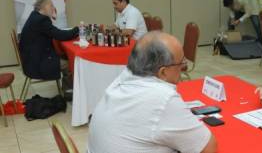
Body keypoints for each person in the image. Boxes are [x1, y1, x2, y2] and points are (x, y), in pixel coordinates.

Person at [87, 31, 217, 153]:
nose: (183, 68)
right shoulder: (162, 98)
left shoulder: (122, 78)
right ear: (163, 72)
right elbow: (207, 148)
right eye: (181, 64)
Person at [19, 0, 79, 80]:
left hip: (30, 61)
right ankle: (70, 89)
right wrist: (77, 29)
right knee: (73, 62)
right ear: (43, 7)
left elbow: (55, 32)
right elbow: (60, 35)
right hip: (37, 64)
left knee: (66, 55)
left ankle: (67, 87)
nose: (53, 8)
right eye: (50, 5)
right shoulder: (41, 20)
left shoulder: (35, 16)